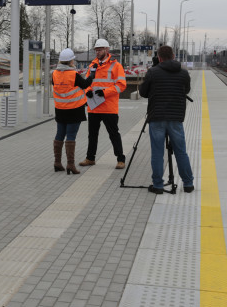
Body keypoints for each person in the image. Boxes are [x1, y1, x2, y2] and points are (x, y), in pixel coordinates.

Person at [138, 45, 194, 194]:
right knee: (181, 151)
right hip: (176, 118)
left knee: (157, 152)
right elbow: (186, 90)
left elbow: (143, 92)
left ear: (159, 57)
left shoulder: (153, 72)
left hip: (156, 117)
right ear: (174, 56)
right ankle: (188, 184)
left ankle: (158, 186)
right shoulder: (183, 73)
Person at [79, 38, 127, 169]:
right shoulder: (92, 66)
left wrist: (105, 92)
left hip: (109, 107)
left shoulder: (116, 66)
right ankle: (90, 158)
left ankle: (120, 159)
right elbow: (87, 82)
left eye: (99, 50)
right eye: (96, 50)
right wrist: (88, 91)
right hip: (94, 107)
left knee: (113, 134)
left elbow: (121, 85)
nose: (97, 52)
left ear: (107, 50)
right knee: (92, 135)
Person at [52, 48, 95, 174]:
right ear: (71, 61)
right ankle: (70, 165)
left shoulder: (54, 74)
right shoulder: (73, 74)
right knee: (71, 136)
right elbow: (85, 84)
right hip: (74, 110)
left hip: (60, 109)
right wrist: (92, 75)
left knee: (60, 134)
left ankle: (57, 163)